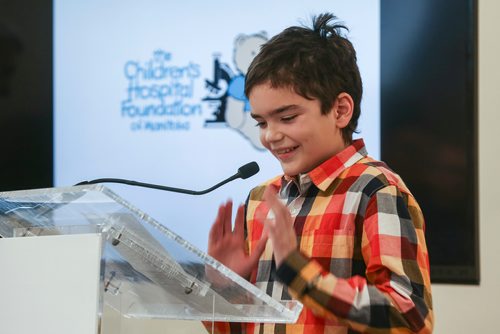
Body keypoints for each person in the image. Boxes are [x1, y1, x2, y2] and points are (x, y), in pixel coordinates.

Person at [207, 13, 434, 333]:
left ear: (340, 110)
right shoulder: (262, 199)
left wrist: (298, 271)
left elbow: (410, 319)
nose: (270, 135)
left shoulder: (376, 191)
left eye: (286, 118)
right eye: (261, 122)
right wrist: (224, 287)